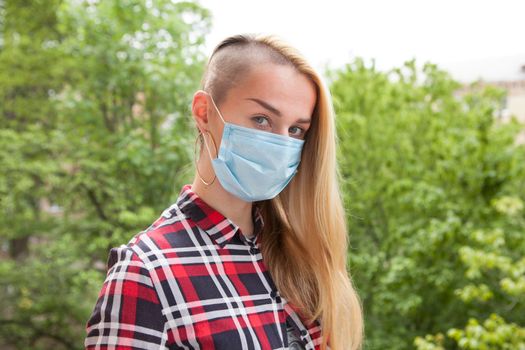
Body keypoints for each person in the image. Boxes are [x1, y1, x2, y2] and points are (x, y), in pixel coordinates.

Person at [84, 33, 363, 350]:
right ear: (204, 112)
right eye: (262, 119)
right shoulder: (145, 273)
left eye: (296, 129)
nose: (282, 144)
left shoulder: (301, 259)